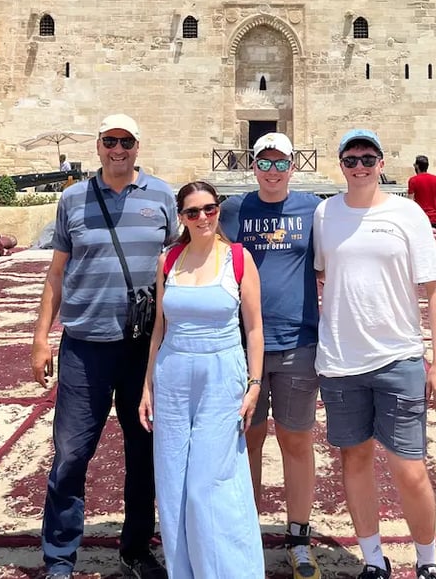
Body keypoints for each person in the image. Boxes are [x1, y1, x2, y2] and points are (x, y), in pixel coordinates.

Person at [31, 114, 176, 579]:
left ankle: (136, 548)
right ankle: (59, 558)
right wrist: (40, 339)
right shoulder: (73, 199)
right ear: (98, 146)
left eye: (126, 142)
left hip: (143, 350)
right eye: (110, 141)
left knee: (143, 452)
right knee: (71, 453)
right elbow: (56, 273)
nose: (118, 149)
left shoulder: (162, 196)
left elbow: (179, 264)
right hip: (85, 347)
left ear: (138, 146)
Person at [313, 129, 436, 579]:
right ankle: (373, 558)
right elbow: (322, 277)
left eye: (367, 158)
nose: (359, 166)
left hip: (399, 359)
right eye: (350, 159)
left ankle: (427, 562)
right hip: (340, 362)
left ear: (382, 162)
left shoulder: (407, 214)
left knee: (410, 469)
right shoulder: (324, 213)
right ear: (340, 165)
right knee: (355, 460)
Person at [140, 180, 264, 579]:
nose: (203, 218)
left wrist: (254, 385)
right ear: (182, 217)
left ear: (219, 211)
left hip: (222, 376)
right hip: (173, 374)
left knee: (209, 486)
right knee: (173, 484)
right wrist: (147, 386)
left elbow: (255, 329)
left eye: (209, 209)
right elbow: (159, 327)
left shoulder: (239, 259)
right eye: (192, 212)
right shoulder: (168, 260)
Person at [220, 132, 323, 579]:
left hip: (299, 342)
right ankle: (249, 532)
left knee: (296, 441)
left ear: (292, 167)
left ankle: (299, 536)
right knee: (249, 440)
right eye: (266, 163)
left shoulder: (312, 210)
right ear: (253, 165)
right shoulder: (231, 211)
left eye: (282, 163)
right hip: (243, 346)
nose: (274, 171)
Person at [408, 155, 436, 282]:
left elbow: (411, 201)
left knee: (419, 245)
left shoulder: (413, 180)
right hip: (434, 217)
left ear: (416, 166)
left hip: (420, 219)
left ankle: (421, 273)